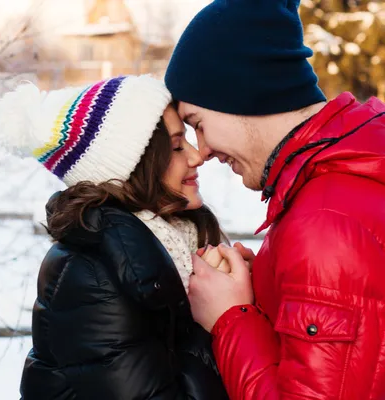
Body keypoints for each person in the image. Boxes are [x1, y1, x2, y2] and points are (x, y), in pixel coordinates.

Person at [164, 0, 385, 399]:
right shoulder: (347, 177)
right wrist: (264, 287)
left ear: (240, 93)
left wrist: (230, 318)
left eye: (198, 123)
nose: (204, 151)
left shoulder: (326, 223)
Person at [0, 75, 230, 399]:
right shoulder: (89, 276)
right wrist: (219, 319)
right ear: (131, 168)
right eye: (175, 146)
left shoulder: (183, 243)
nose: (195, 156)